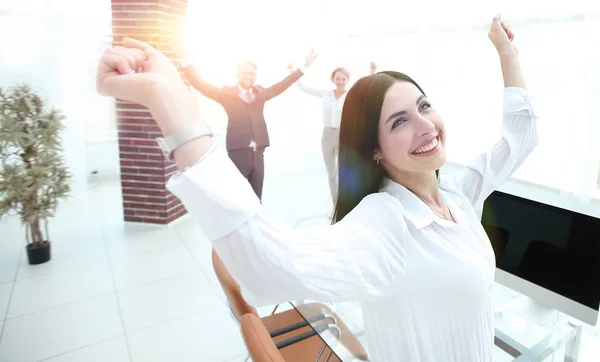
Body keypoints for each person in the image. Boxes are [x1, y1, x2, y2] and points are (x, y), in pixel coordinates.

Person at [97, 14, 536, 362]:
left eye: (423, 106)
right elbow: (269, 266)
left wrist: (507, 53)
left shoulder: (458, 197)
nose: (425, 126)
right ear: (375, 151)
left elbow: (518, 140)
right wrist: (168, 100)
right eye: (399, 121)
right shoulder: (386, 227)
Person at [171, 41, 318, 199]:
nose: (248, 76)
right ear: (238, 74)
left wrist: (304, 67)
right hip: (238, 152)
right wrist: (185, 61)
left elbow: (282, 85)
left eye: (252, 73)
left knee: (257, 198)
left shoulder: (261, 93)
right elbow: (200, 84)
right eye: (245, 73)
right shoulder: (225, 94)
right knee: (239, 197)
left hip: (258, 153)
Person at [288, 60, 378, 201]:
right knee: (331, 173)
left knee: (346, 172)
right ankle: (336, 203)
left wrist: (372, 72)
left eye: (343, 79)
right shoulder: (326, 94)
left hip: (344, 134)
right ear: (333, 79)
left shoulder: (350, 95)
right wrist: (294, 70)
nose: (340, 81)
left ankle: (349, 202)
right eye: (338, 78)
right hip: (328, 135)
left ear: (347, 80)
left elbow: (366, 89)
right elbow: (304, 88)